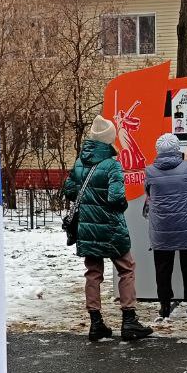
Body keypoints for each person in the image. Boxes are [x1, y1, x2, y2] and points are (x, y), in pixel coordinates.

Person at [64, 116, 153, 342]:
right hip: (112, 228)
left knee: (93, 273)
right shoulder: (112, 164)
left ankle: (96, 323)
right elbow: (116, 198)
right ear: (109, 139)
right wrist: (119, 205)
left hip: (87, 229)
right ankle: (129, 321)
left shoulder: (79, 162)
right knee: (126, 269)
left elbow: (70, 191)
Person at [144, 133, 187, 320]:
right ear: (177, 149)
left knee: (163, 269)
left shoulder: (150, 171)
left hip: (162, 228)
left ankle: (164, 307)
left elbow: (148, 192)